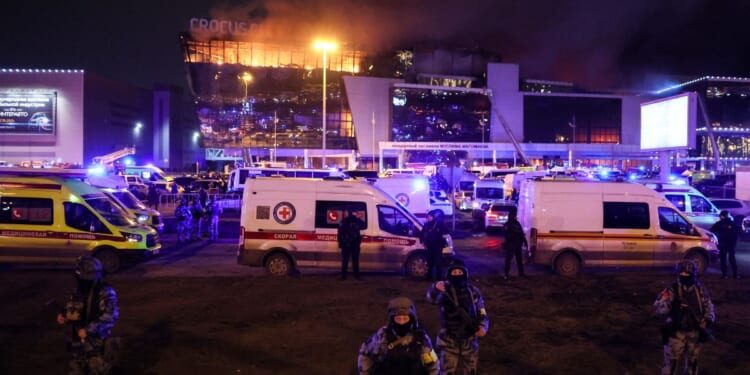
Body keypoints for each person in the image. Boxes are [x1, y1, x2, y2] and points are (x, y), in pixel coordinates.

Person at [56, 256, 119, 375]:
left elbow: (111, 316)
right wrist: (64, 316)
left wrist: (89, 330)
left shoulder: (105, 291)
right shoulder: (80, 288)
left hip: (96, 341)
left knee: (97, 370)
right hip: (78, 340)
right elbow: (73, 306)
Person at [654, 259, 715, 375]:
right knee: (670, 366)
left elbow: (709, 307)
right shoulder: (672, 289)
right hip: (676, 333)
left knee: (693, 363)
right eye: (682, 273)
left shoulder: (700, 290)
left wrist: (708, 319)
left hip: (694, 332)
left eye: (687, 274)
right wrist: (672, 306)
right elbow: (658, 307)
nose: (684, 276)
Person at [426, 263, 489, 375]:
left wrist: (483, 327)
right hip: (448, 340)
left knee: (470, 370)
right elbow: (431, 299)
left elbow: (481, 311)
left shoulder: (473, 291)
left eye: (460, 272)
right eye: (454, 272)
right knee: (446, 371)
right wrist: (435, 288)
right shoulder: (444, 290)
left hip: (469, 339)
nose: (457, 275)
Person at [357, 297, 439, 375]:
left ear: (411, 319)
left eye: (405, 319)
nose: (402, 322)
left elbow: (433, 365)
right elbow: (365, 354)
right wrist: (365, 372)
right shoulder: (382, 335)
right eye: (398, 319)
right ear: (392, 319)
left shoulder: (420, 339)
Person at [709, 210, 740, 279]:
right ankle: (735, 274)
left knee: (723, 259)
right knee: (731, 258)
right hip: (730, 244)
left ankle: (725, 274)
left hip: (723, 243)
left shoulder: (719, 223)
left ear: (721, 216)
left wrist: (715, 239)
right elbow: (736, 233)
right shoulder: (732, 223)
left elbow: (711, 231)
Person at [338, 206, 365, 280]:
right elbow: (364, 226)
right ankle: (356, 275)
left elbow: (339, 233)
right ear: (354, 213)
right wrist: (358, 217)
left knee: (345, 261)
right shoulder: (357, 220)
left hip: (346, 244)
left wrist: (340, 244)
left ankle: (344, 276)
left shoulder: (343, 221)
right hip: (355, 244)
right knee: (355, 260)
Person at [421, 209, 449, 280]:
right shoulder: (427, 224)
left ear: (433, 217)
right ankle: (429, 276)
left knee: (438, 262)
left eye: (430, 216)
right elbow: (422, 233)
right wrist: (422, 241)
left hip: (438, 246)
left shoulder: (439, 224)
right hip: (429, 246)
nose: (429, 218)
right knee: (430, 261)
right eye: (428, 216)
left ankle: (438, 277)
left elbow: (446, 232)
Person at [502, 206, 528, 281]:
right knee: (508, 260)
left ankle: (521, 273)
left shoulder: (516, 223)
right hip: (511, 245)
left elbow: (521, 233)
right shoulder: (508, 224)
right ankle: (506, 275)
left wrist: (524, 241)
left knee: (519, 260)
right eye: (514, 214)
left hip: (518, 245)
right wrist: (515, 234)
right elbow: (507, 235)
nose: (515, 216)